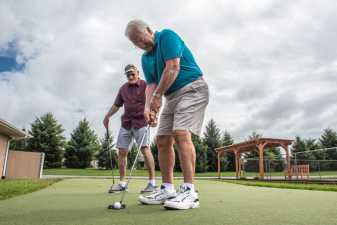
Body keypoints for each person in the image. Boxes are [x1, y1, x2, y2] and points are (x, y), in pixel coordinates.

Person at [125, 20, 209, 210]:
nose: (140, 45)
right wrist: (148, 108)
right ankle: (168, 188)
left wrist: (157, 97)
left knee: (181, 133)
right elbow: (152, 85)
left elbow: (173, 67)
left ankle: (189, 192)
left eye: (141, 40)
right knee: (162, 139)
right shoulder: (145, 58)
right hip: (171, 96)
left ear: (148, 30)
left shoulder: (167, 36)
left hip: (193, 89)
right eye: (135, 44)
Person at [103, 64, 156, 193]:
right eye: (128, 75)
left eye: (133, 74)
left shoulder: (145, 85)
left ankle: (152, 183)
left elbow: (154, 101)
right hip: (126, 123)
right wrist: (107, 116)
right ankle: (122, 184)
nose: (130, 76)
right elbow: (116, 105)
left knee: (145, 149)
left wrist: (154, 115)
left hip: (141, 122)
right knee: (122, 152)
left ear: (138, 73)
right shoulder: (123, 89)